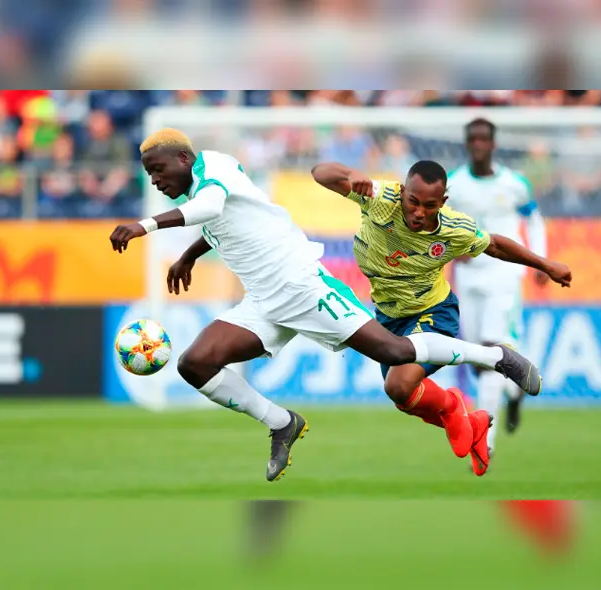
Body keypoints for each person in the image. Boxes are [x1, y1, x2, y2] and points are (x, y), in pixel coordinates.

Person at [109, 129, 552, 483]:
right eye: (148, 175)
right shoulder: (208, 178)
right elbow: (227, 221)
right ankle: (282, 423)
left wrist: (144, 226)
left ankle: (497, 357)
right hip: (263, 300)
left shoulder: (213, 176)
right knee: (195, 364)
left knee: (396, 353)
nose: (155, 180)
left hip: (303, 285)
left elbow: (211, 206)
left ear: (183, 159)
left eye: (158, 169)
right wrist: (188, 255)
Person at [312, 160, 571, 475]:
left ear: (443, 203)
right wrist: (353, 175)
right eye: (413, 202)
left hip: (434, 313)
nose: (419, 212)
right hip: (390, 318)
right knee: (402, 397)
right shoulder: (380, 198)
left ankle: (494, 358)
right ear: (403, 192)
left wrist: (545, 265)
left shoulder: (453, 228)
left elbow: (497, 245)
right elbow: (320, 173)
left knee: (398, 384)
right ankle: (464, 417)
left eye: (430, 205)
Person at [447, 118, 549, 458]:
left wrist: (539, 261)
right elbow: (441, 224)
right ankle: (515, 393)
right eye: (472, 139)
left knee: (494, 349)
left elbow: (533, 220)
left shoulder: (515, 184)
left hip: (505, 276)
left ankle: (483, 443)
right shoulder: (455, 184)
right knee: (480, 361)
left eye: (483, 139)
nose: (477, 144)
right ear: (467, 144)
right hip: (469, 277)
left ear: (493, 144)